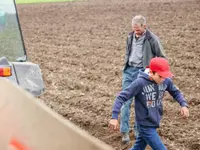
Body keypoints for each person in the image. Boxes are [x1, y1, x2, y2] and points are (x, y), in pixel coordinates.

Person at [109, 57, 189, 150]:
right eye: (160, 76)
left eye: (165, 76)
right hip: (144, 124)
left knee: (138, 148)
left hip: (154, 121)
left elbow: (176, 92)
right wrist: (114, 117)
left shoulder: (165, 80)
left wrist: (183, 104)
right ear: (151, 72)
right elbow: (121, 97)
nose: (163, 79)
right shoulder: (140, 83)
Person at [120, 15, 166, 143]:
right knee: (126, 102)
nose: (136, 32)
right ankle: (124, 132)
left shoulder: (152, 39)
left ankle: (138, 132)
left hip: (142, 73)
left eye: (138, 29)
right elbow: (127, 52)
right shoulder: (130, 36)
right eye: (134, 29)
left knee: (141, 104)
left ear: (144, 26)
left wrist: (155, 72)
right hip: (129, 72)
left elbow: (162, 57)